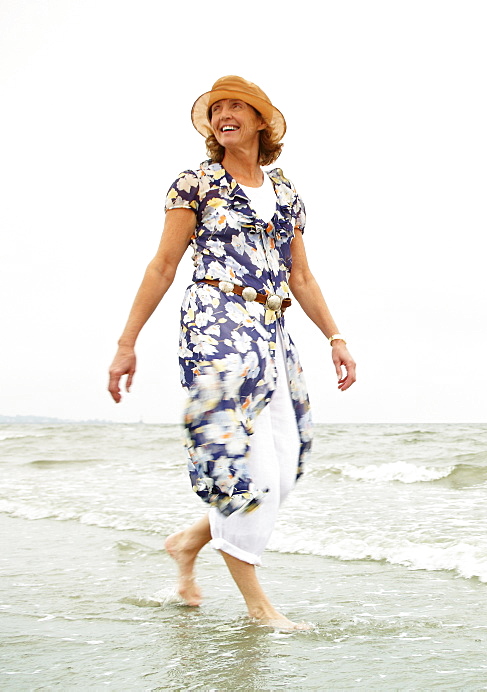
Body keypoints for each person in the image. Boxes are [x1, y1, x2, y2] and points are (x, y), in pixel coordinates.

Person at [107, 75, 356, 630]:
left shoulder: (287, 193)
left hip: (271, 330)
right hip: (216, 323)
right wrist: (127, 344)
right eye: (217, 108)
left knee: (288, 463)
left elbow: (303, 276)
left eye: (237, 106)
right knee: (237, 461)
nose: (224, 113)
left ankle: (188, 542)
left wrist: (336, 338)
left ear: (261, 121)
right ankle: (259, 608)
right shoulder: (195, 184)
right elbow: (162, 267)